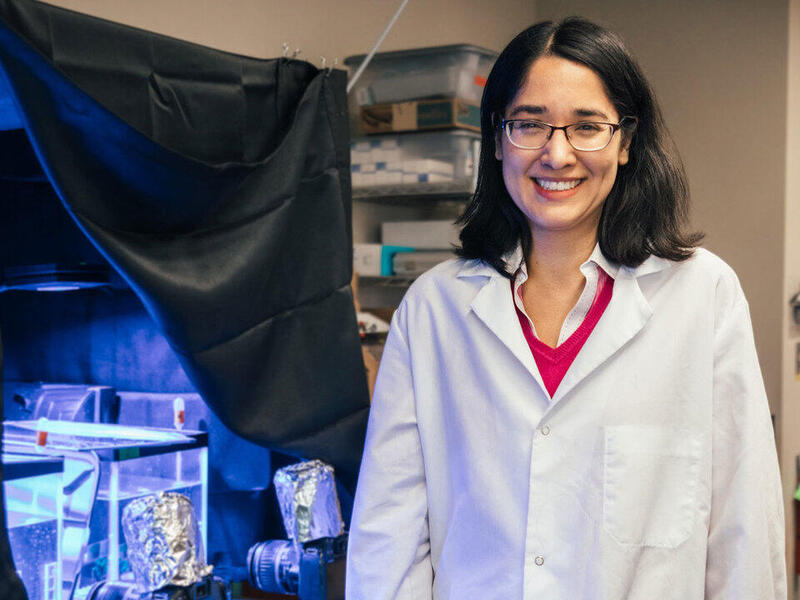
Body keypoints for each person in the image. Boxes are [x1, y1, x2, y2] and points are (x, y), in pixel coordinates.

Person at [345, 17, 786, 600]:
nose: (558, 153)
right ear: (498, 139)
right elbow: (389, 541)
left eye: (587, 127)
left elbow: (744, 530)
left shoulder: (703, 295)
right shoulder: (433, 309)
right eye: (530, 124)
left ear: (626, 143)